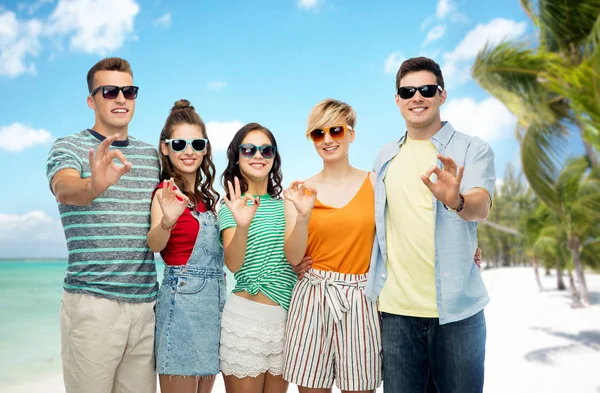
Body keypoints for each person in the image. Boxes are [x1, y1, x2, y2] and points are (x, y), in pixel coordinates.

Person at [365, 56, 496, 393]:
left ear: (442, 95)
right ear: (397, 100)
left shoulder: (472, 148)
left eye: (426, 89)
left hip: (458, 314)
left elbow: (480, 205)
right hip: (396, 314)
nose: (416, 98)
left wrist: (456, 200)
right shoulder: (384, 158)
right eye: (407, 92)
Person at [46, 57, 158, 393]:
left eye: (129, 91)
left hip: (146, 307)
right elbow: (66, 189)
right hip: (93, 305)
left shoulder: (151, 155)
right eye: (110, 91)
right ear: (92, 101)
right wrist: (95, 185)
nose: (121, 98)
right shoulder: (69, 147)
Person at [282, 99, 382, 393]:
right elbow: (293, 256)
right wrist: (302, 217)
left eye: (336, 130)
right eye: (318, 133)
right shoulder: (300, 190)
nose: (327, 139)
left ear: (351, 134)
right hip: (313, 297)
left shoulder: (375, 183)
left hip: (362, 300)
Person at [146, 100, 224, 393]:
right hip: (181, 304)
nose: (188, 151)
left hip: (214, 306)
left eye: (196, 143)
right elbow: (154, 244)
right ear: (165, 148)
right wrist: (166, 221)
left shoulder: (210, 200)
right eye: (179, 143)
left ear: (205, 148)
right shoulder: (165, 193)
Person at [218, 123, 297, 393]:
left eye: (266, 150)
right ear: (237, 156)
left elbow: (293, 256)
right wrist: (242, 225)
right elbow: (232, 263)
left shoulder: (287, 204)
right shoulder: (232, 204)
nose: (258, 155)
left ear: (274, 157)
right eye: (249, 149)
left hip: (285, 322)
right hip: (245, 321)